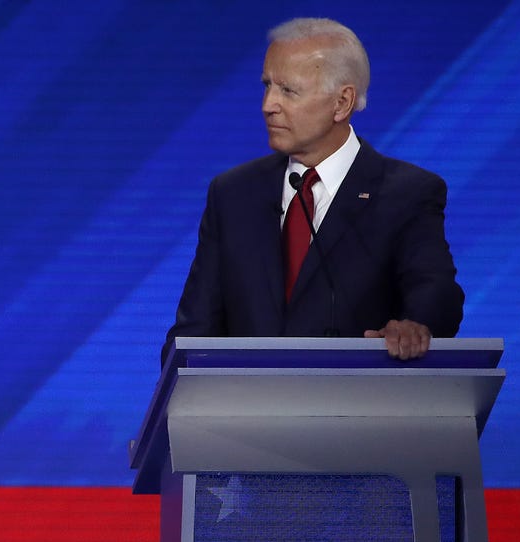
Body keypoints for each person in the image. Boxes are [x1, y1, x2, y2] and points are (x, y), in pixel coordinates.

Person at [163, 18, 463, 364]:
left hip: (358, 407)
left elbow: (436, 296)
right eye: (267, 86)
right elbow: (193, 334)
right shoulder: (233, 195)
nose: (267, 105)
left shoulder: (407, 194)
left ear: (342, 102)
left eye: (288, 90)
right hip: (250, 411)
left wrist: (416, 327)